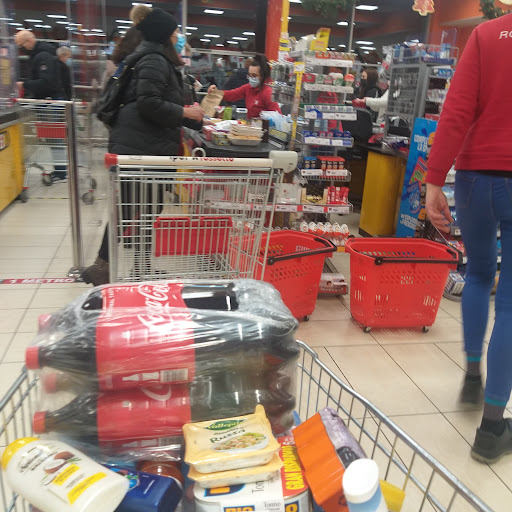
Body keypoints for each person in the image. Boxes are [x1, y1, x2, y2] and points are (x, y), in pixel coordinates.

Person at [425, 13, 512, 464]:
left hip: (476, 176)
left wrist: (433, 179)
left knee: (477, 275)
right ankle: (492, 429)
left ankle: (473, 376)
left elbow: (457, 109)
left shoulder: (487, 34)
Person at [81, 5, 204, 286]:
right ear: (164, 34)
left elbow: (156, 101)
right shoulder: (154, 60)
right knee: (130, 208)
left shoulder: (152, 57)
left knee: (147, 208)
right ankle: (102, 267)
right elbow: (149, 103)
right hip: (141, 148)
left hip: (146, 145)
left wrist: (190, 114)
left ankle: (140, 266)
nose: (179, 37)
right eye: (176, 32)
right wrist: (185, 112)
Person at [208, 54, 281, 119]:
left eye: (254, 75)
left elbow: (278, 116)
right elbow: (232, 94)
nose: (251, 78)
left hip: (264, 128)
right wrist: (216, 92)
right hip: (251, 126)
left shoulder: (267, 93)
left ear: (263, 76)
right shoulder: (248, 88)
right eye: (249, 75)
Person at [15, 30, 63, 100]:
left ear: (29, 41)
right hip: (45, 98)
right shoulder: (35, 55)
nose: (21, 49)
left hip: (50, 99)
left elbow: (46, 82)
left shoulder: (44, 56)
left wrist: (24, 85)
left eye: (21, 45)